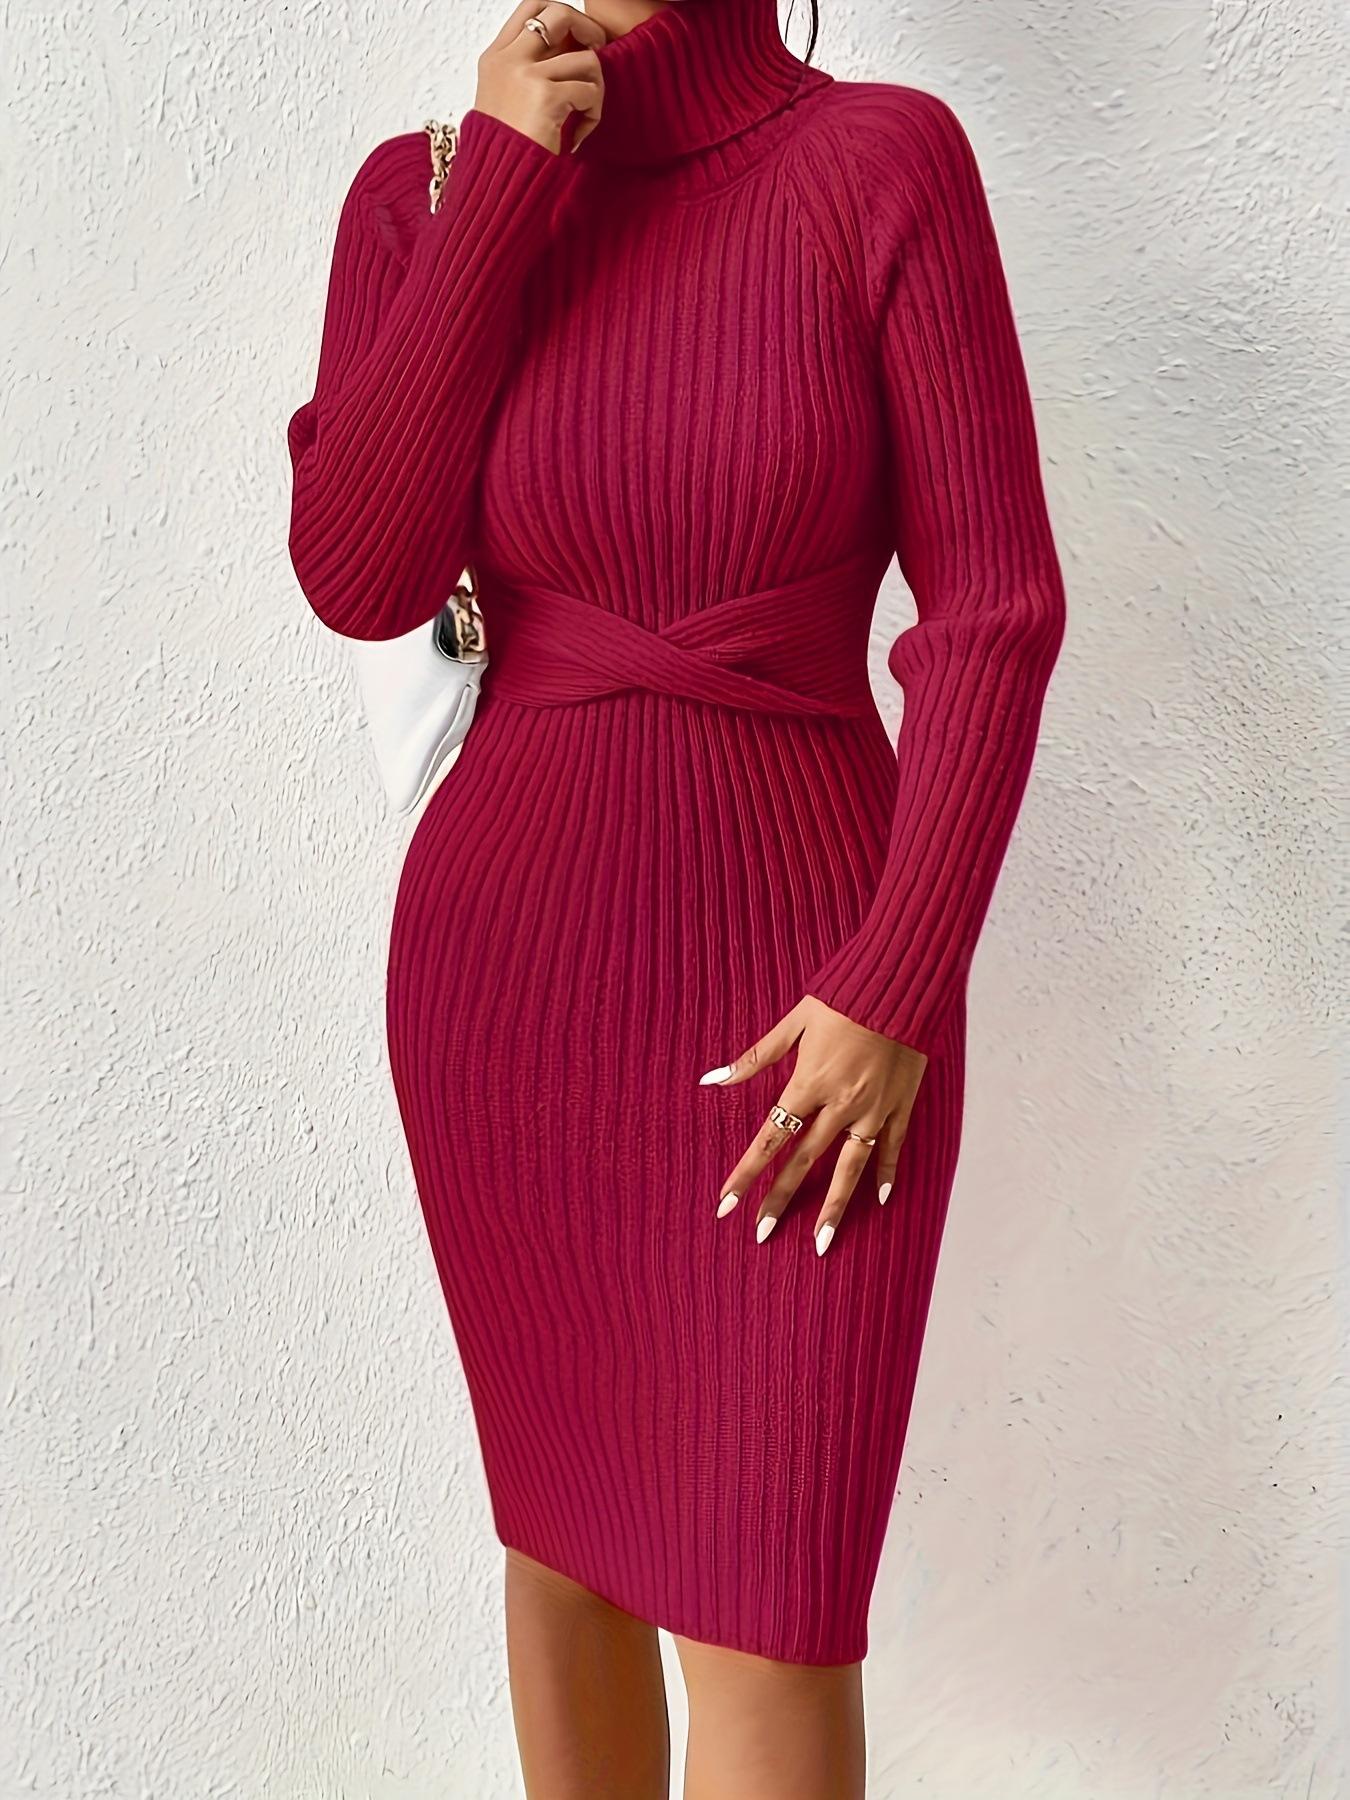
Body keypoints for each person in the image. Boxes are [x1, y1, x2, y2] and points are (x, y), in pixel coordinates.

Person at [285, 0, 1066, 1793]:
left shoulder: (879, 165)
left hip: (811, 996)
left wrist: (894, 984)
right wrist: (499, 192)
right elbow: (359, 573)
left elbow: (991, 614)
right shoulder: (420, 196)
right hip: (506, 992)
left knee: (768, 1616)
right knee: (562, 1553)